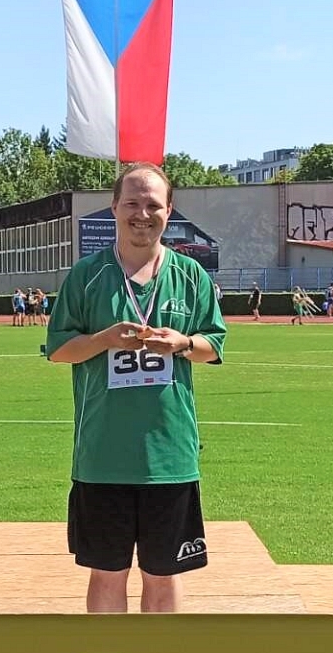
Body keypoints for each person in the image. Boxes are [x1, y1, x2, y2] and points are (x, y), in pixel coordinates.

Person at [44, 163, 227, 613]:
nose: (142, 214)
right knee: (107, 574)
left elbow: (214, 345)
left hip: (170, 458)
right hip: (103, 458)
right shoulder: (86, 275)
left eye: (152, 205)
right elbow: (59, 350)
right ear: (114, 208)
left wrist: (183, 343)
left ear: (169, 210)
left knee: (164, 575)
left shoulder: (191, 276)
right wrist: (104, 339)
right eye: (131, 203)